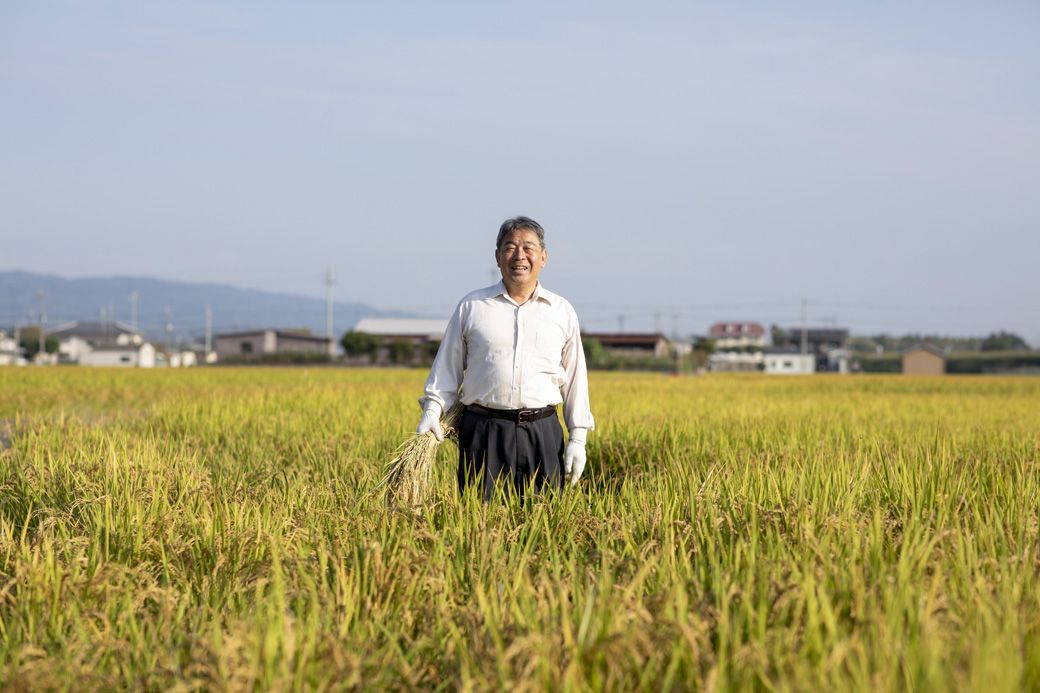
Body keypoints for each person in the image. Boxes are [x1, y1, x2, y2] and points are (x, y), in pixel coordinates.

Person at [416, 216, 594, 501]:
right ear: (497, 257)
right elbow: (447, 367)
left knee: (544, 521)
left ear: (544, 257)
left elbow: (575, 379)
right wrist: (432, 410)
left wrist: (578, 437)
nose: (519, 256)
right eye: (510, 247)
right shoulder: (473, 306)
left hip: (543, 431)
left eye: (528, 248)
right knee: (482, 526)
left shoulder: (561, 311)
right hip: (484, 432)